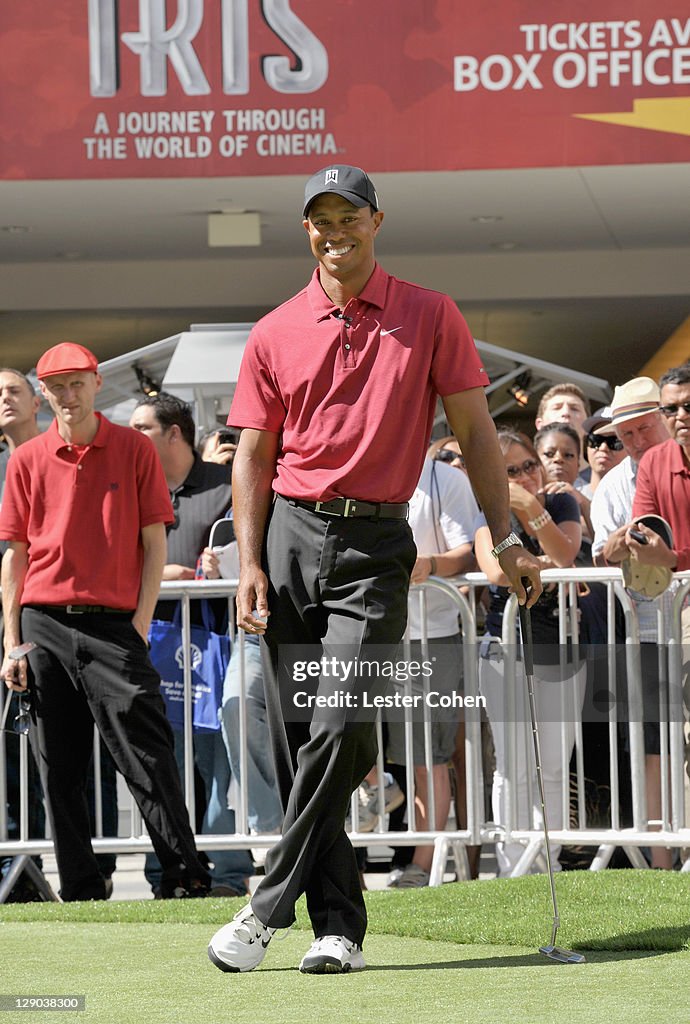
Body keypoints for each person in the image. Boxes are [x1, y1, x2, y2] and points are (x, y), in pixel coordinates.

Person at [207, 163, 541, 975]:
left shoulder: (430, 314)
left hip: (375, 548)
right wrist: (248, 561)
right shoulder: (274, 328)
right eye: (321, 220)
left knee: (338, 725)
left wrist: (505, 534)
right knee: (299, 738)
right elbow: (252, 455)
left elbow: (478, 432)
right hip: (287, 536)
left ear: (376, 223)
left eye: (349, 217)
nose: (335, 232)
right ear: (307, 231)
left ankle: (265, 909)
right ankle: (338, 928)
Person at [0, 342, 210, 901]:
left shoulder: (134, 450)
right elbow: (16, 555)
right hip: (42, 622)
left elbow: (153, 542)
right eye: (57, 386)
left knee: (146, 755)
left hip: (115, 623)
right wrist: (11, 643)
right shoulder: (26, 460)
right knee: (58, 768)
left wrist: (139, 623)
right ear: (44, 395)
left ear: (96, 383)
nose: (68, 395)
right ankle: (81, 887)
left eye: (76, 383)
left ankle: (184, 874)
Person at [129, 392, 253, 898]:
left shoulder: (226, 486)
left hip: (216, 648)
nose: (131, 437)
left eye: (142, 428)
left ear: (173, 433)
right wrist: (159, 573)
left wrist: (215, 569)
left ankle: (224, 876)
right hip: (148, 646)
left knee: (216, 763)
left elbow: (248, 551)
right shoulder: (133, 487)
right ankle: (170, 873)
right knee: (161, 763)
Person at [475, 429, 585, 876]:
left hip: (559, 649)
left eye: (528, 466)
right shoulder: (487, 518)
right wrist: (513, 517)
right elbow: (495, 572)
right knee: (512, 767)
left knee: (556, 767)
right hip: (503, 651)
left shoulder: (559, 504)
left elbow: (565, 554)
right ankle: (512, 866)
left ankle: (548, 862)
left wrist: (531, 508)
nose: (523, 476)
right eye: (509, 471)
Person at [589, 375, 673, 868]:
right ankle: (663, 860)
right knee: (653, 747)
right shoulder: (615, 486)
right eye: (627, 436)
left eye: (644, 429)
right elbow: (602, 554)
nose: (637, 442)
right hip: (643, 634)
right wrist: (620, 543)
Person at [386, 454, 478, 888]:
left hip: (431, 634)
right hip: (366, 631)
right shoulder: (359, 466)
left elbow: (469, 551)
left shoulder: (444, 479)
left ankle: (423, 864)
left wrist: (431, 565)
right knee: (357, 748)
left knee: (428, 755)